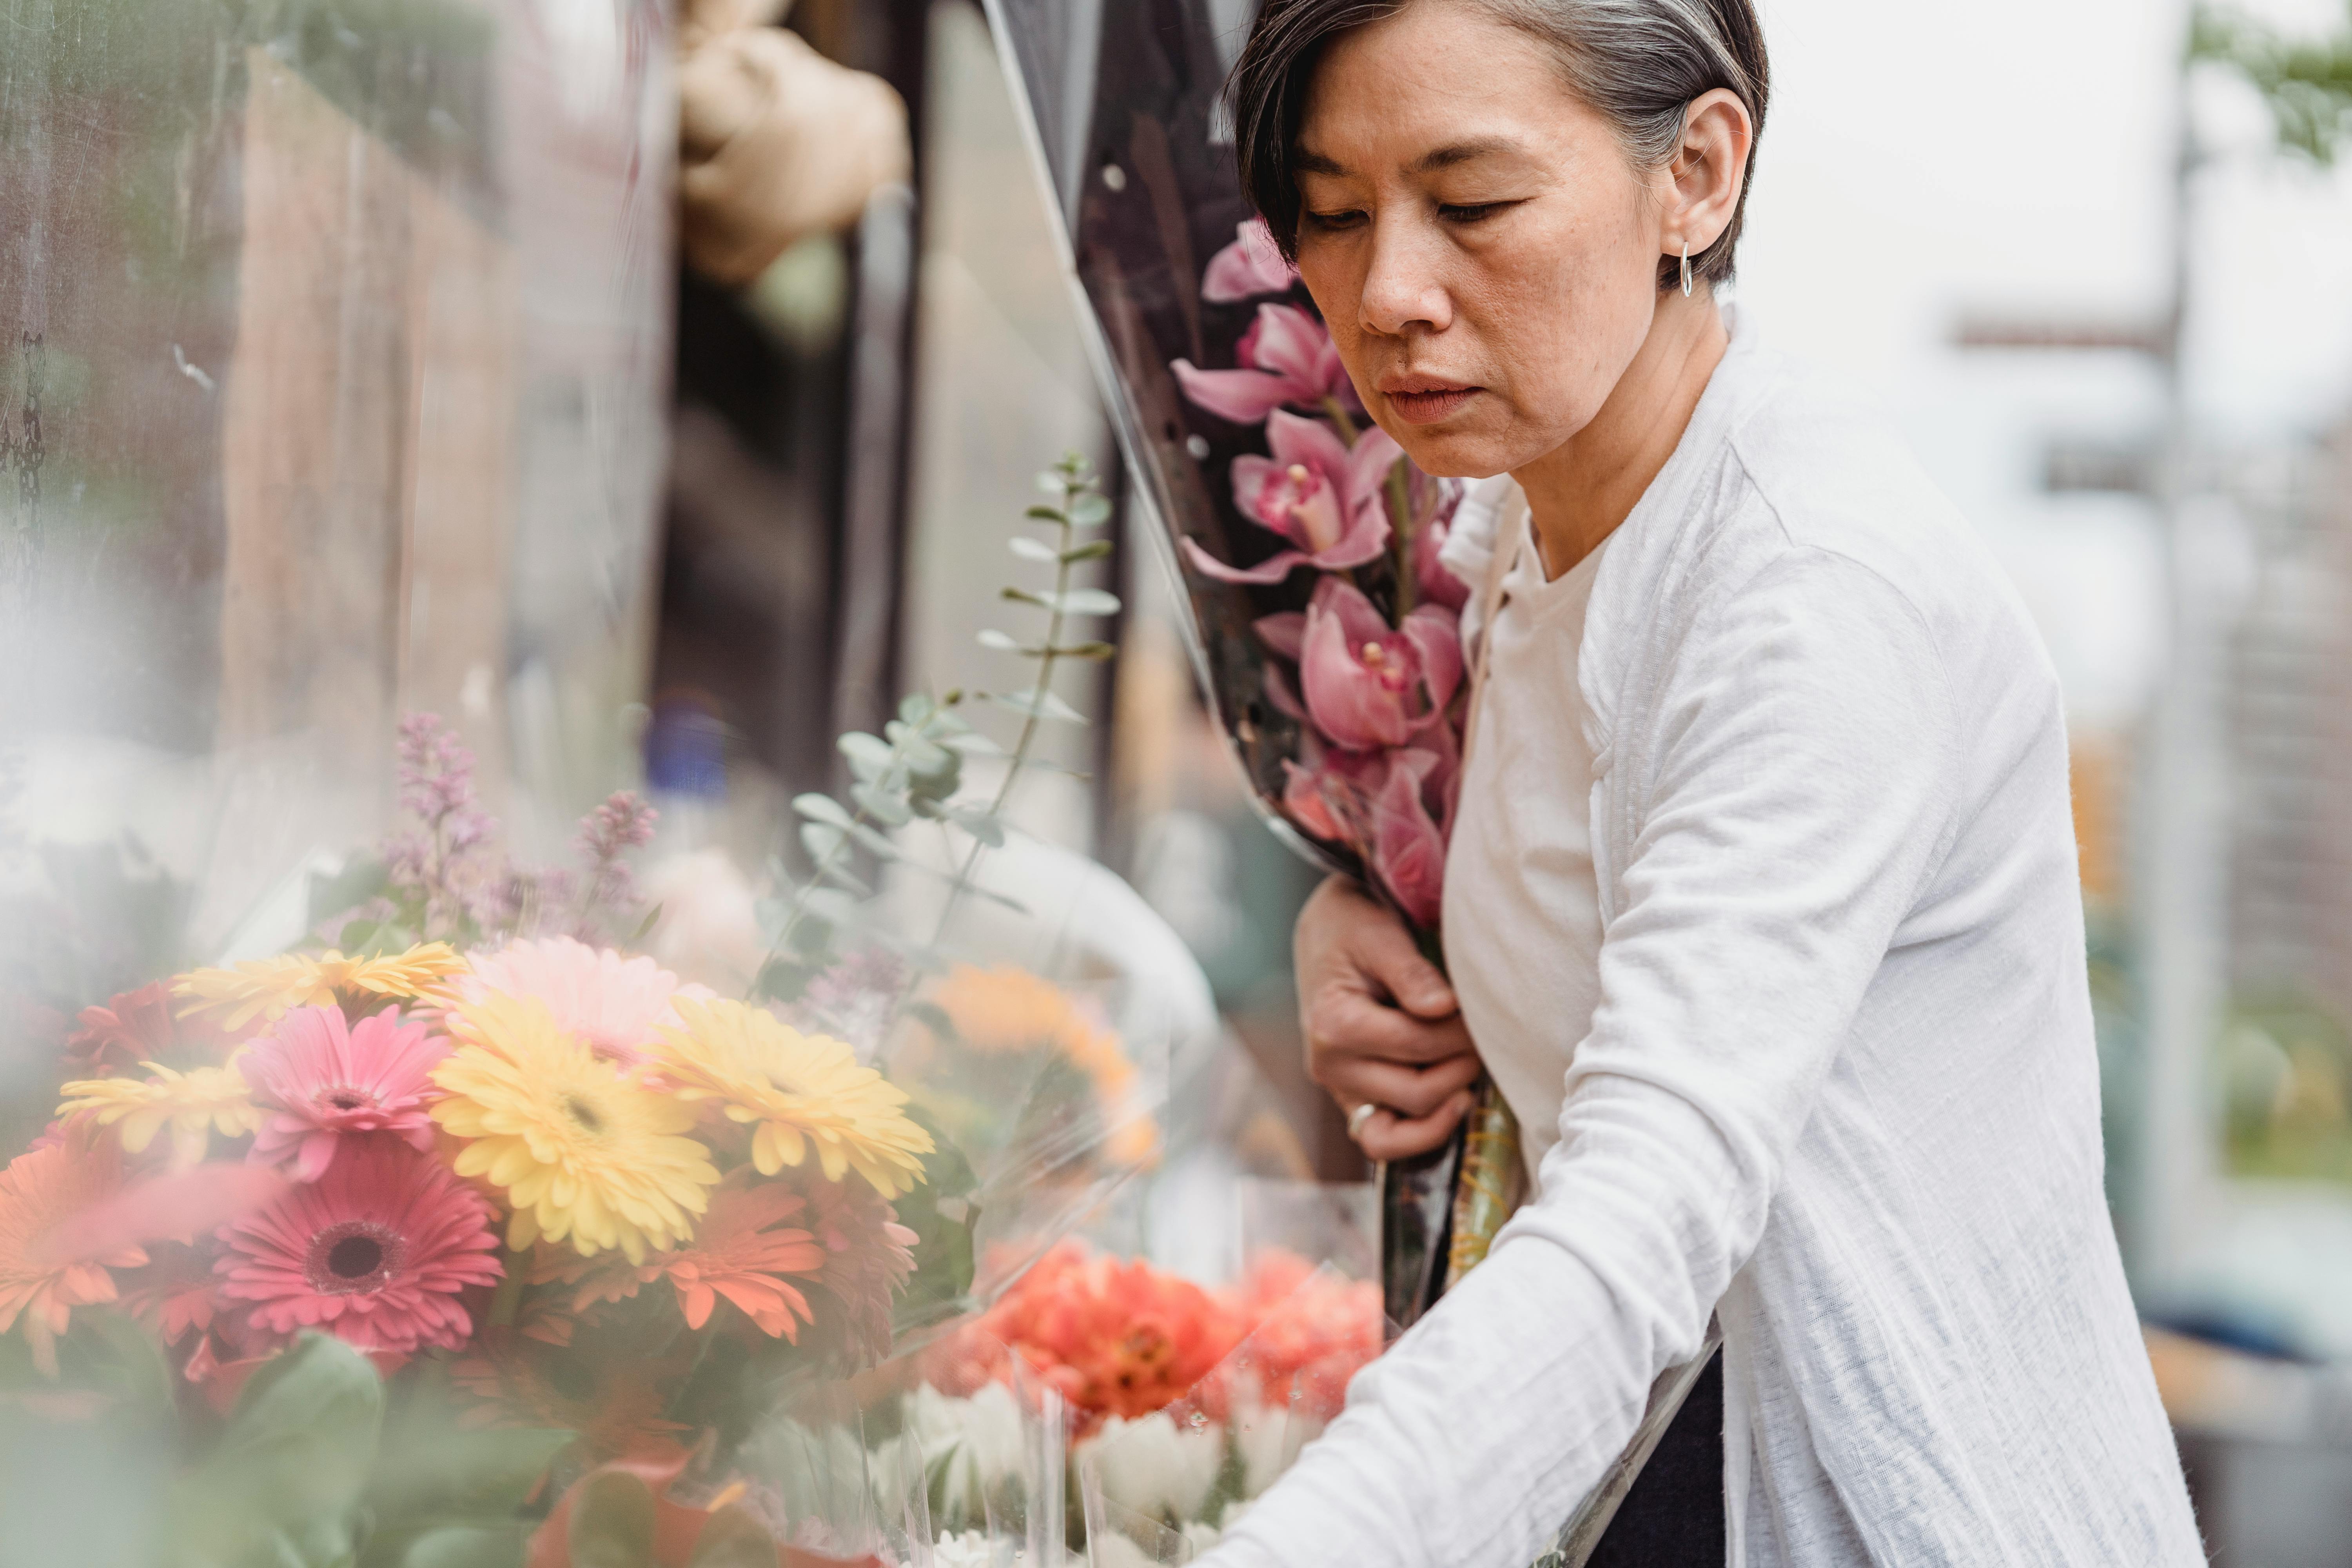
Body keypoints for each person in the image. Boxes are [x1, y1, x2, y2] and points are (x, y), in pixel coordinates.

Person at [1197, 1, 2206, 1564]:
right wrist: (1375, 919)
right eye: (1333, 216)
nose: (1389, 292)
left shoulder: (1809, 591)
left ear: (1700, 173)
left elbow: (1646, 1207)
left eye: (1471, 204)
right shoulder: (1513, 543)